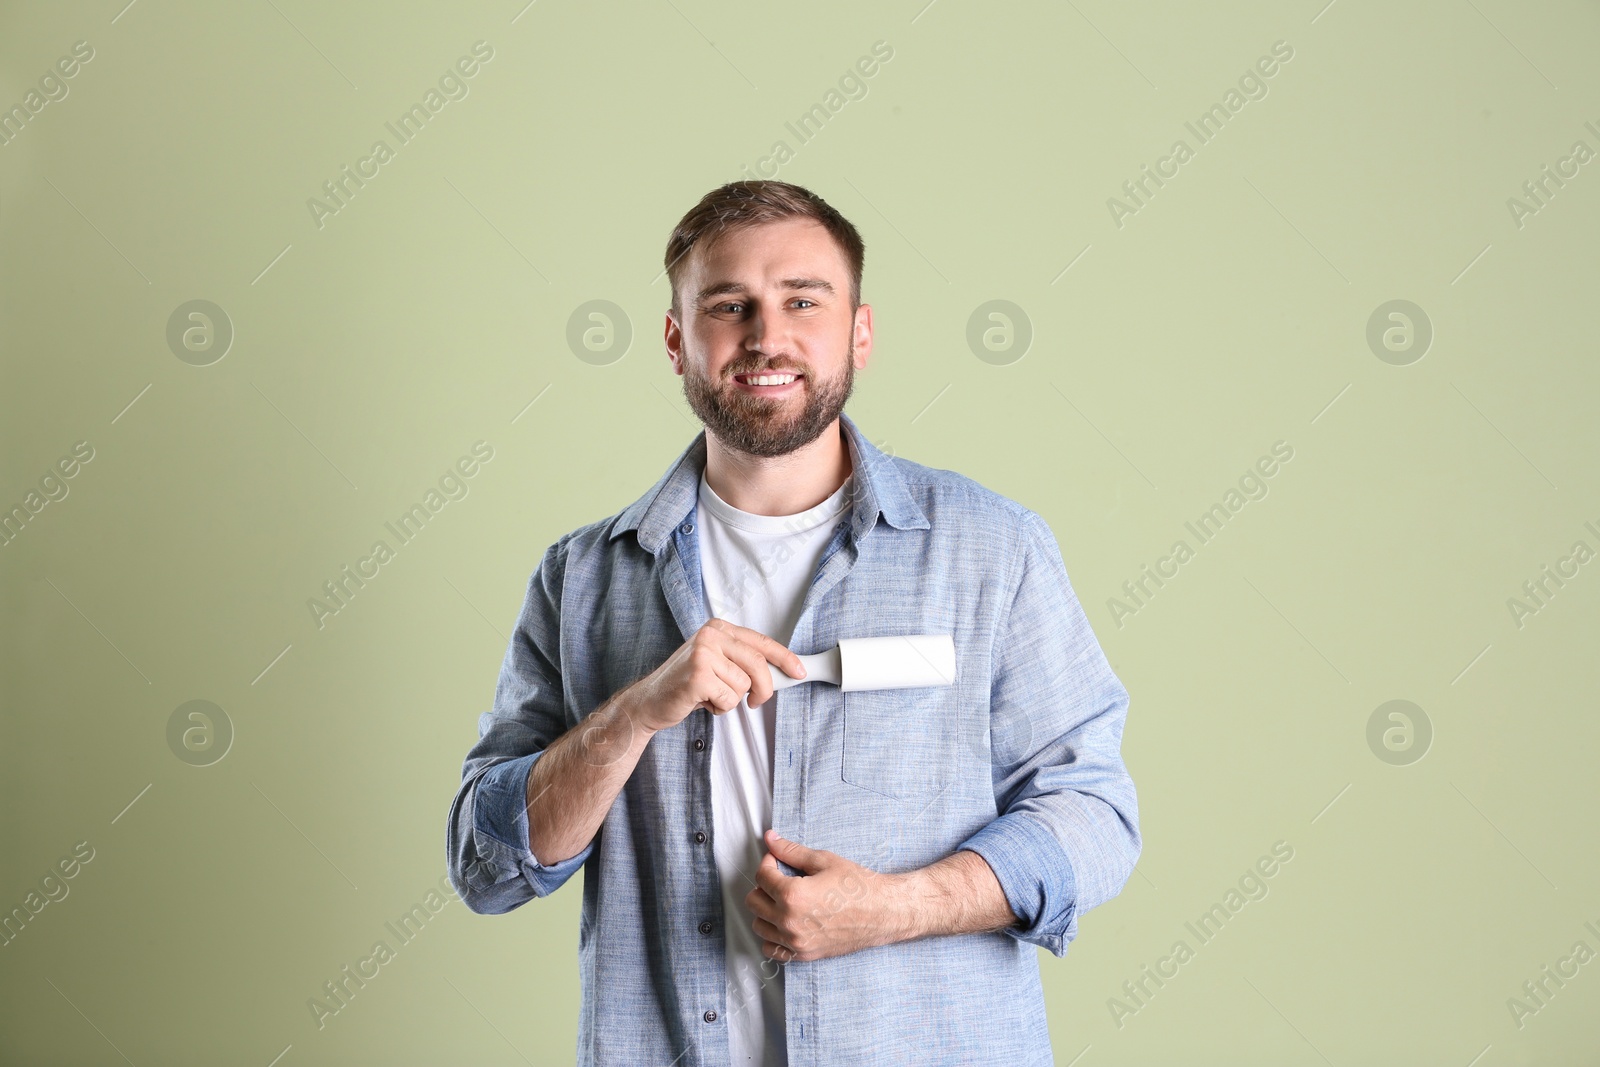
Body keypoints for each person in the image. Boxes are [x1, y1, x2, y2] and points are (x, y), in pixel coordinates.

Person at [446, 179, 1140, 1066]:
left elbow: (1094, 813)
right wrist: (632, 714)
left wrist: (893, 907)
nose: (767, 337)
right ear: (676, 340)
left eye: (802, 301)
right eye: (729, 306)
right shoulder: (580, 579)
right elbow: (485, 864)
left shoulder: (993, 552)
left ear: (859, 333)